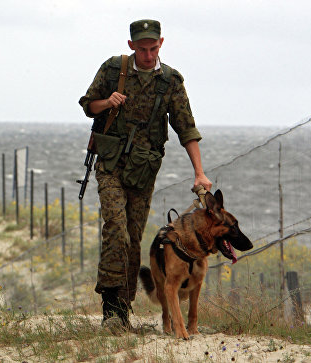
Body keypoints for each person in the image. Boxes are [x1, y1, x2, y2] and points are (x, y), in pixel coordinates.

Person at [78, 20, 212, 329]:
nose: (148, 55)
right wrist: (106, 102)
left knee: (134, 240)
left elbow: (186, 127)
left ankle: (124, 309)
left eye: (153, 48)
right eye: (142, 49)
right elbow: (88, 105)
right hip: (110, 166)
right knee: (115, 228)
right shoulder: (114, 69)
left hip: (143, 172)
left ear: (161, 44)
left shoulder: (170, 81)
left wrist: (199, 173)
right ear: (131, 46)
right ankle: (111, 310)